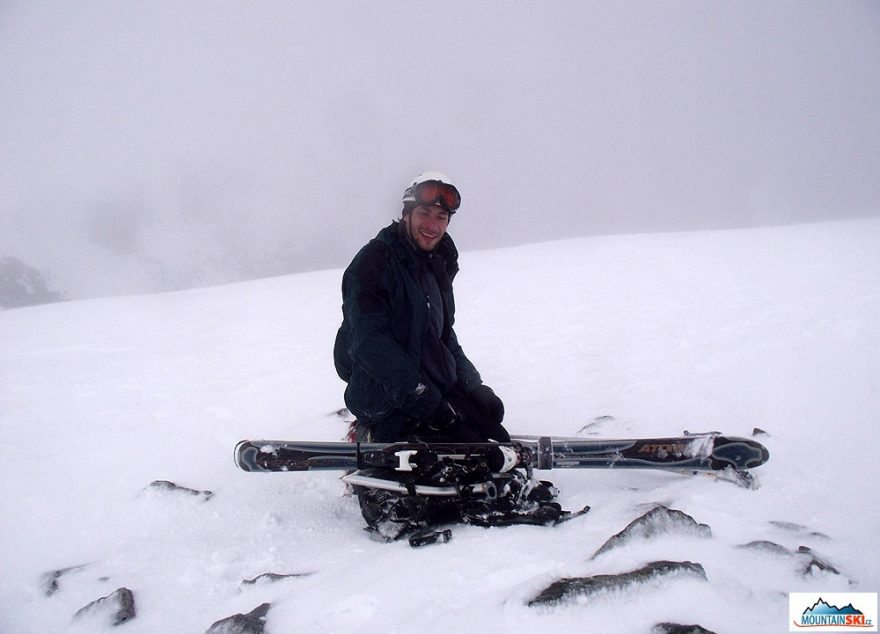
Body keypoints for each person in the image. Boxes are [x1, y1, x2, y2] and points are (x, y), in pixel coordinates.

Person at [334, 171, 509, 444]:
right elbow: (368, 343)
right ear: (406, 215)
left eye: (441, 217)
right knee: (458, 457)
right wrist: (424, 401)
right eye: (424, 214)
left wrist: (473, 387)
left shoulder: (436, 265)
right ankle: (368, 434)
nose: (432, 225)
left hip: (434, 389)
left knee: (494, 435)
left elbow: (444, 336)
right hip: (386, 396)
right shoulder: (373, 263)